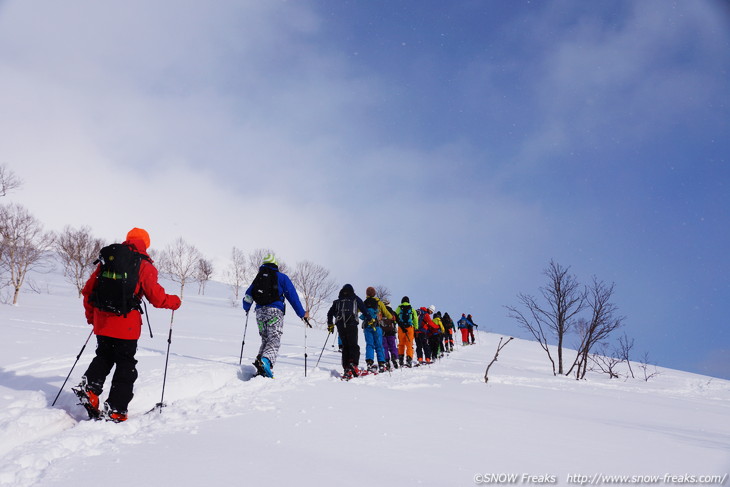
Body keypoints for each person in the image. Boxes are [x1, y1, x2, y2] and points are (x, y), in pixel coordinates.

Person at [75, 228, 181, 422]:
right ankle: (115, 408)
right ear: (146, 244)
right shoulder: (144, 265)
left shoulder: (108, 261)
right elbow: (157, 298)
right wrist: (174, 301)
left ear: (127, 240)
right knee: (125, 364)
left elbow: (88, 290)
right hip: (127, 326)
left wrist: (92, 317)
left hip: (103, 321)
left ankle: (90, 388)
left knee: (104, 355)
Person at [243, 253, 309, 378]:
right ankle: (266, 361)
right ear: (275, 265)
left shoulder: (258, 278)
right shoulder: (282, 277)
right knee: (274, 339)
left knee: (266, 339)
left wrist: (246, 308)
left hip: (259, 313)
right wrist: (302, 314)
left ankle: (260, 361)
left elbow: (248, 296)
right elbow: (292, 297)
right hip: (275, 312)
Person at [327, 284, 368, 379]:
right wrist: (370, 319)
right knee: (353, 345)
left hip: (340, 325)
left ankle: (346, 368)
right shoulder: (355, 298)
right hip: (351, 324)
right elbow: (364, 309)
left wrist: (330, 324)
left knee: (345, 346)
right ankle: (353, 365)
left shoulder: (338, 301)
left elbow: (329, 313)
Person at [360, 287, 393, 373]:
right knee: (379, 345)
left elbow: (359, 312)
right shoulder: (379, 302)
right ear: (374, 293)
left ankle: (369, 363)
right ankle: (382, 364)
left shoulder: (364, 303)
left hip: (367, 327)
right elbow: (388, 314)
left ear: (367, 294)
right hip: (377, 326)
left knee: (369, 345)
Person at [395, 296, 417, 368]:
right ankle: (409, 360)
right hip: (409, 329)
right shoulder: (412, 309)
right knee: (409, 345)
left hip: (401, 328)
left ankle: (401, 360)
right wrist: (416, 328)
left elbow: (395, 317)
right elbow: (415, 319)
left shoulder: (398, 308)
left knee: (401, 344)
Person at [381, 300, 399, 370]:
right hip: (391, 332)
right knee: (393, 346)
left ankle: (386, 360)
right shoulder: (393, 312)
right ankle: (394, 357)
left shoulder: (381, 312)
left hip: (383, 333)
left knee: (384, 347)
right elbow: (398, 321)